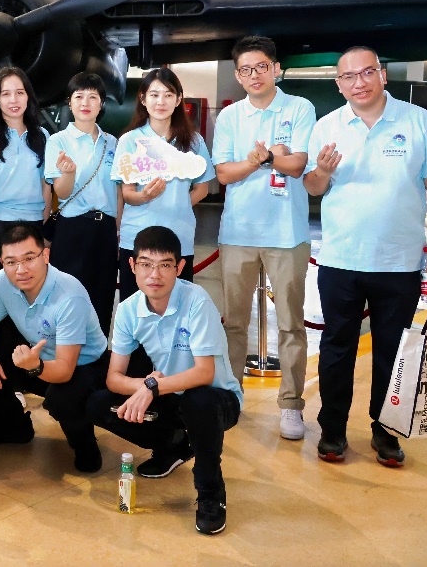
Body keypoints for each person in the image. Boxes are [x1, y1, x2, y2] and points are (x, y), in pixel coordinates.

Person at [303, 46, 427, 467]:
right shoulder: (327, 126)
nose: (359, 82)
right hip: (340, 258)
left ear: (382, 75)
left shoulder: (419, 121)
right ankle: (333, 429)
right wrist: (323, 171)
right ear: (339, 85)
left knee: (394, 350)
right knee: (337, 348)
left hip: (399, 261)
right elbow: (313, 187)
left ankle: (386, 430)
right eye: (349, 77)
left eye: (367, 72)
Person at [86, 225, 243, 536]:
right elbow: (114, 378)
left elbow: (205, 373)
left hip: (217, 400)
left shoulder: (196, 301)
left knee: (199, 401)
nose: (154, 275)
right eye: (146, 264)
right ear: (132, 266)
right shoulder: (129, 310)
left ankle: (211, 494)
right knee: (99, 404)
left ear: (179, 267)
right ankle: (173, 445)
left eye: (165, 265)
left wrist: (152, 387)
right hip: (172, 395)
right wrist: (144, 387)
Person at [211, 36, 315, 441]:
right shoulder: (230, 116)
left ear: (276, 69)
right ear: (238, 76)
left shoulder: (299, 108)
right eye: (245, 69)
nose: (254, 75)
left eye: (261, 67)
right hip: (238, 232)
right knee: (234, 323)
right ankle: (230, 395)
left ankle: (291, 405)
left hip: (287, 234)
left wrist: (269, 158)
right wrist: (261, 160)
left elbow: (298, 164)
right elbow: (223, 173)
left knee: (291, 324)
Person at [0, 221, 110, 472]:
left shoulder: (69, 295)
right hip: (38, 357)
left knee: (61, 400)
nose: (21, 269)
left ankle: (85, 446)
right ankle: (11, 429)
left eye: (29, 258)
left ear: (45, 255)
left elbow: (65, 370)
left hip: (85, 365)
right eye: (11, 262)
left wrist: (34, 366)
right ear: (2, 262)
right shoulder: (4, 281)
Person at [112, 67, 214, 298]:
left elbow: (203, 188)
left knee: (177, 304)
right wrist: (144, 197)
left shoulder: (193, 141)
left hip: (179, 235)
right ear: (143, 99)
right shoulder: (130, 140)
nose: (161, 101)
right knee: (134, 303)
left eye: (168, 95)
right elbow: (126, 192)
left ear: (178, 100)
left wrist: (178, 203)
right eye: (154, 94)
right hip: (137, 236)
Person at [43, 72, 121, 331]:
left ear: (101, 103)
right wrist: (69, 173)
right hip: (72, 229)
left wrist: (118, 231)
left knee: (103, 298)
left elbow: (118, 192)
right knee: (68, 300)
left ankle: (97, 355)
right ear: (70, 102)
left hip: (106, 230)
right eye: (79, 96)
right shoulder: (58, 141)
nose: (85, 102)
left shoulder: (113, 143)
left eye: (93, 97)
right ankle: (65, 354)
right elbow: (61, 192)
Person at [0, 67, 51, 304]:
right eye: (5, 94)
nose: (13, 100)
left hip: (31, 224)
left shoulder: (42, 136)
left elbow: (46, 187)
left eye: (20, 92)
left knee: (30, 300)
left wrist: (44, 230)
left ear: (29, 97)